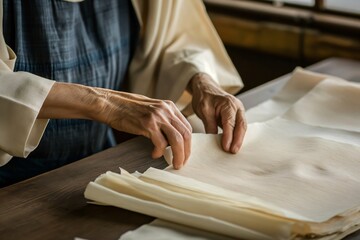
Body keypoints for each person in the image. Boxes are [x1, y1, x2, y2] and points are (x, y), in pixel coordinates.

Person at [0, 0, 246, 187]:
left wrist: (201, 81)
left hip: (99, 165)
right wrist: (105, 103)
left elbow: (173, 38)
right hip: (10, 183)